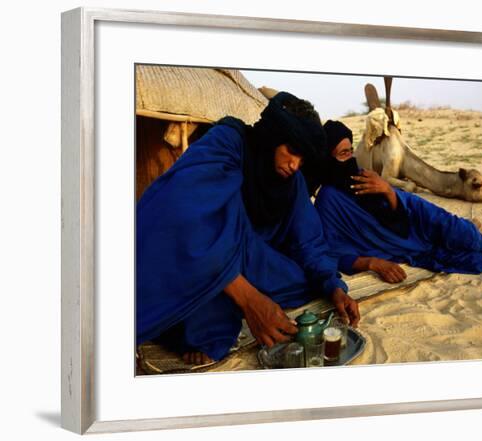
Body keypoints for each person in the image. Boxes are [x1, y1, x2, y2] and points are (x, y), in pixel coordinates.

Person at [136, 93, 360, 366]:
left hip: (251, 259)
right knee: (203, 311)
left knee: (305, 280)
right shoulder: (227, 143)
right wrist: (250, 300)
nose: (294, 165)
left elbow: (309, 241)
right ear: (273, 136)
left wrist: (334, 286)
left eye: (302, 160)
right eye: (292, 151)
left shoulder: (292, 181)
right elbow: (179, 215)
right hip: (203, 253)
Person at [309, 120, 482, 284]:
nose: (350, 159)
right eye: (343, 154)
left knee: (469, 238)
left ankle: (474, 232)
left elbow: (401, 209)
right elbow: (331, 251)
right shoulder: (328, 200)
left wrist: (387, 190)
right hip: (401, 243)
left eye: (350, 152)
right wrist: (373, 263)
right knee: (475, 260)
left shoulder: (362, 175)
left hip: (416, 219)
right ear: (328, 158)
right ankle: (472, 230)